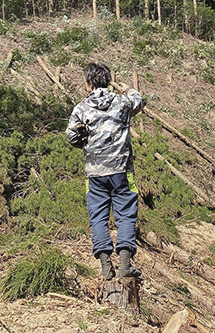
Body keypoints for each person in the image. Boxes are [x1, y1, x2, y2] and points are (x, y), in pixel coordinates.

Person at [66, 63, 145, 280]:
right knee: (126, 215)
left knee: (98, 217)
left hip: (94, 174)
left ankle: (105, 265)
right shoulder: (122, 102)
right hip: (121, 170)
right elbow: (140, 100)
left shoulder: (81, 108)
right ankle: (125, 264)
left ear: (89, 83)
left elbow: (72, 137)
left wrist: (83, 139)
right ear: (107, 80)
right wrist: (127, 88)